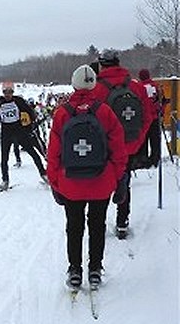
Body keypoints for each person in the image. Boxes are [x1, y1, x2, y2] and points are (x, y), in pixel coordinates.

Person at [47, 65, 128, 289]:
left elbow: (53, 152)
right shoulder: (105, 112)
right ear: (94, 84)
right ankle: (95, 269)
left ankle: (74, 270)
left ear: (74, 85)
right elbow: (119, 150)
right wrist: (117, 178)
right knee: (97, 225)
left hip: (71, 183)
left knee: (74, 226)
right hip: (101, 182)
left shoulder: (62, 113)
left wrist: (55, 183)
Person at [92, 49, 154, 239]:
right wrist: (137, 139)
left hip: (105, 147)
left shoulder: (97, 88)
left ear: (101, 65)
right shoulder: (135, 86)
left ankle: (97, 224)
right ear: (119, 63)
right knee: (124, 181)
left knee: (101, 182)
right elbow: (148, 115)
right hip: (129, 144)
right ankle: (122, 223)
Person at [0, 81, 47, 190]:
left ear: (13, 92)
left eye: (10, 92)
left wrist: (31, 125)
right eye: (5, 92)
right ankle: (5, 180)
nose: (8, 94)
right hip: (6, 132)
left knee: (33, 153)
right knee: (4, 157)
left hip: (19, 131)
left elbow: (30, 112)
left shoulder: (18, 101)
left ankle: (44, 174)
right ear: (3, 92)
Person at [137, 68, 162, 168]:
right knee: (155, 139)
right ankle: (155, 159)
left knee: (143, 139)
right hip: (155, 117)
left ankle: (143, 160)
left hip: (144, 118)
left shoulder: (139, 87)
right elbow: (160, 99)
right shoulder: (155, 86)